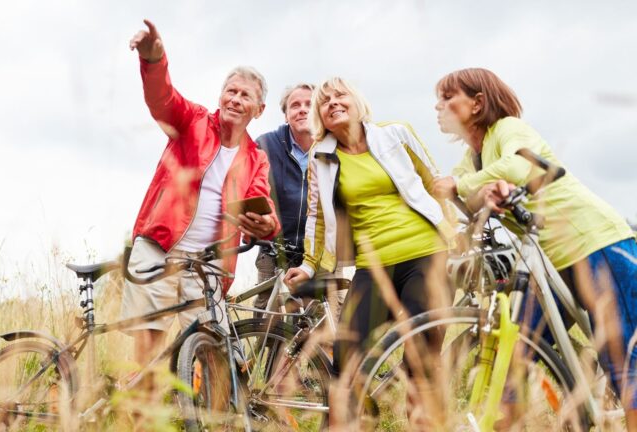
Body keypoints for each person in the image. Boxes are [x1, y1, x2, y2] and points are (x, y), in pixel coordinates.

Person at [432, 67, 637, 429]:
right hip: (547, 261)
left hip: (594, 240)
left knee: (619, 352)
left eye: (448, 97)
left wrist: (462, 186)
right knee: (517, 348)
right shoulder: (471, 158)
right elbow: (475, 198)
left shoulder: (510, 129)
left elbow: (515, 166)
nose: (438, 106)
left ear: (478, 103)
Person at [124, 19, 280, 368]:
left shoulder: (256, 157)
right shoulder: (192, 120)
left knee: (219, 359)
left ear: (259, 109)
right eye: (231, 91)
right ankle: (140, 417)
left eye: (245, 95)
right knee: (148, 354)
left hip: (207, 265)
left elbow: (263, 205)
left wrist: (266, 224)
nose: (235, 99)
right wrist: (154, 62)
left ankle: (214, 422)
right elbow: (162, 99)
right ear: (220, 96)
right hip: (161, 250)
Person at [283, 77, 453, 374]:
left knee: (421, 352)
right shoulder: (320, 157)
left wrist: (456, 234)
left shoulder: (396, 134)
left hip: (425, 253)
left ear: (357, 102)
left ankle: (421, 417)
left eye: (340, 96)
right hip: (372, 265)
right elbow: (317, 216)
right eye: (325, 101)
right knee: (346, 356)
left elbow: (435, 183)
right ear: (319, 116)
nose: (333, 102)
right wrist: (309, 265)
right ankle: (347, 420)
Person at [254, 83, 348, 315]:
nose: (302, 110)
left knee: (328, 319)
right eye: (295, 105)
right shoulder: (265, 145)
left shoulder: (335, 147)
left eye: (309, 104)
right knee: (268, 319)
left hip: (323, 251)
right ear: (286, 114)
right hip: (275, 250)